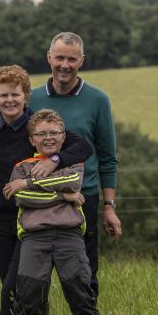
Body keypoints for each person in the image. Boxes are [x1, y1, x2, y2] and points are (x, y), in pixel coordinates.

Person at [0, 65, 93, 315]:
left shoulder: (36, 128)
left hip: (32, 215)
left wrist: (54, 161)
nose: (9, 100)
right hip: (1, 217)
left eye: (15, 94)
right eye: (3, 95)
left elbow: (81, 147)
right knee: (11, 280)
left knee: (24, 282)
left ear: (26, 96)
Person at [29, 32, 121, 300]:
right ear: (49, 58)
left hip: (82, 199)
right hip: (39, 197)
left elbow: (108, 157)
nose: (64, 65)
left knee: (84, 273)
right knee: (35, 275)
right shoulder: (31, 99)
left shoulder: (98, 100)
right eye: (59, 58)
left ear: (82, 61)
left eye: (72, 59)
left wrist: (109, 207)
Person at [3, 109, 103, 315]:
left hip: (69, 236)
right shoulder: (22, 166)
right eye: (42, 133)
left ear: (63, 136)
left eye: (55, 133)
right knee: (28, 295)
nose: (49, 138)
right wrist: (62, 196)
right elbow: (22, 198)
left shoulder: (74, 162)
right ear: (32, 140)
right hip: (34, 238)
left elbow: (71, 182)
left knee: (81, 291)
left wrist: (30, 183)